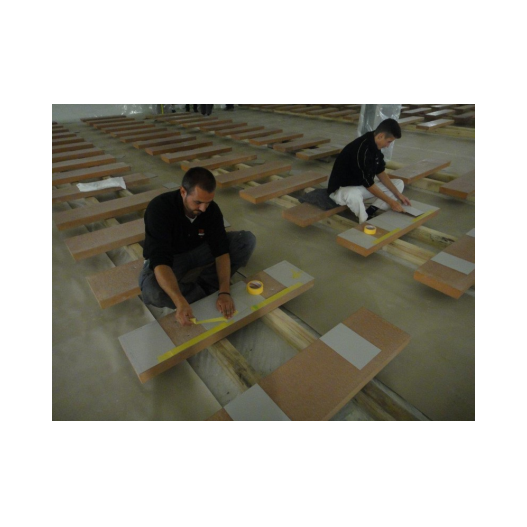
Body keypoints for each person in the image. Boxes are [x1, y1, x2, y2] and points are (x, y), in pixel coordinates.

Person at [139, 167, 257, 327]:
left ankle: (207, 286)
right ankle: (198, 293)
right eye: (198, 202)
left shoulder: (211, 210)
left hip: (199, 250)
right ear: (183, 192)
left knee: (246, 240)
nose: (203, 208)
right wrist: (179, 301)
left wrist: (224, 292)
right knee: (152, 291)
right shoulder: (159, 208)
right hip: (172, 258)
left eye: (208, 202)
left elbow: (221, 251)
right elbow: (161, 261)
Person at [327, 118, 411, 223]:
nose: (388, 145)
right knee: (352, 194)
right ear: (380, 136)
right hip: (342, 190)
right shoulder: (361, 150)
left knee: (398, 183)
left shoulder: (375, 145)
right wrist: (391, 202)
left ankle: (371, 210)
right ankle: (364, 220)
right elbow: (369, 184)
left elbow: (380, 172)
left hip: (360, 186)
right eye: (389, 142)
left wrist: (398, 195)